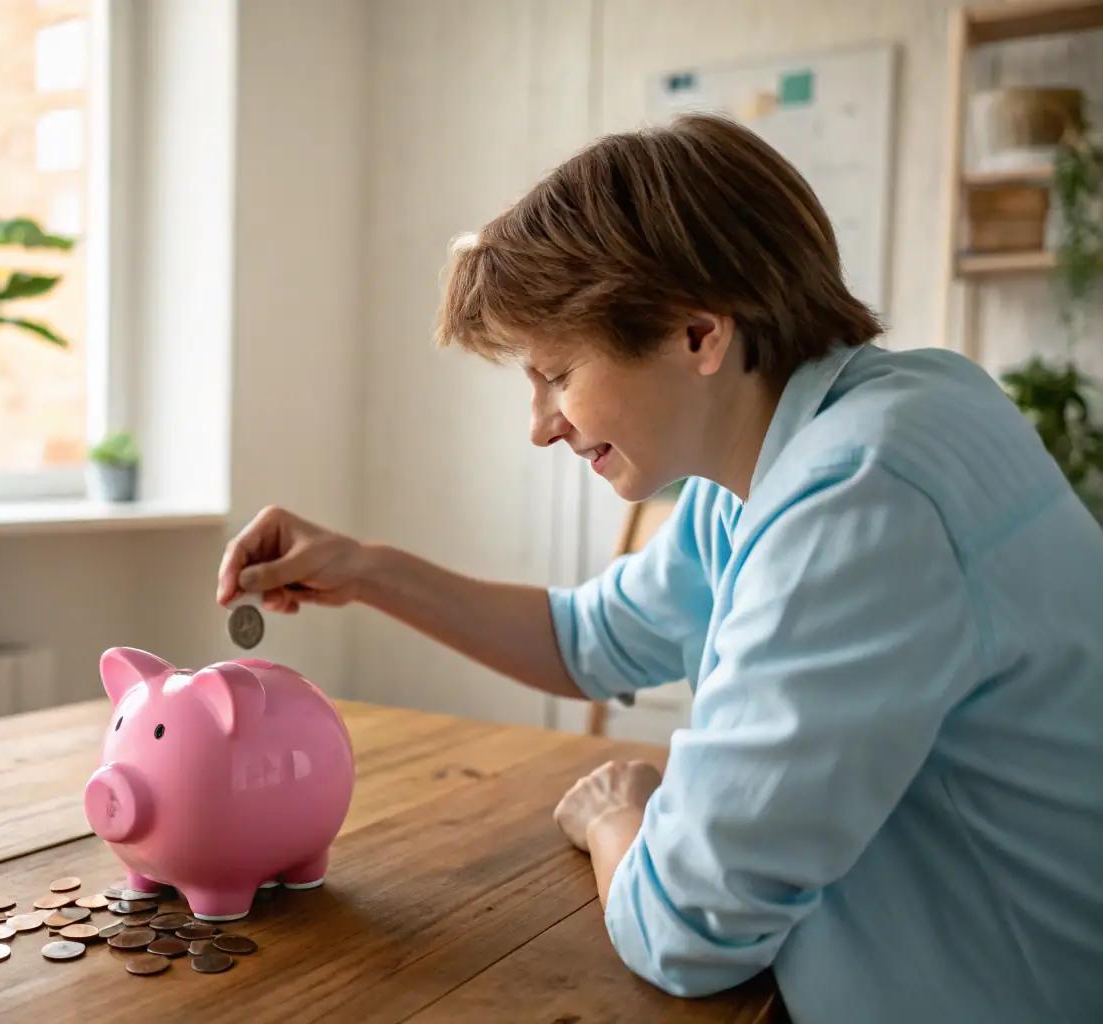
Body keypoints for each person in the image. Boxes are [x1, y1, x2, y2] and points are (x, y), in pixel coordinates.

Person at [216, 113, 1103, 1024]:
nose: (540, 425)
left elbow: (682, 928)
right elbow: (588, 640)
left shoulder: (859, 494)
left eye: (558, 374)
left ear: (696, 333)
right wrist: (364, 569)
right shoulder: (801, 450)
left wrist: (618, 814)